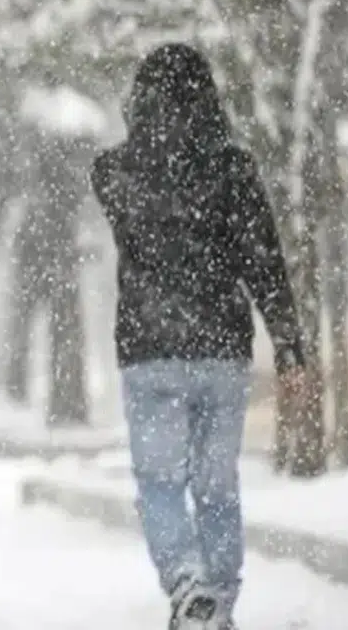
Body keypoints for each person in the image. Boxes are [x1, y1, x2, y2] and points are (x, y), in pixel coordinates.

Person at [91, 43, 307, 630]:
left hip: (150, 349)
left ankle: (187, 584)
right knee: (216, 486)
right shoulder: (233, 168)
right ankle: (220, 603)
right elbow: (263, 259)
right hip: (220, 350)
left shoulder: (113, 171)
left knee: (160, 483)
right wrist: (288, 343)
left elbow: (140, 192)